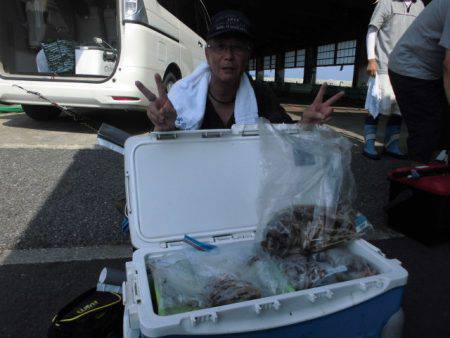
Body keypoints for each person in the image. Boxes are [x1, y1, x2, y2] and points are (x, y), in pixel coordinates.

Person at [135, 10, 345, 132]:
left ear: (247, 56)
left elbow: (285, 138)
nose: (228, 55)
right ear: (207, 55)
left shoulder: (261, 95)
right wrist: (165, 126)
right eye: (220, 46)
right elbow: (168, 155)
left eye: (237, 47)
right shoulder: (181, 96)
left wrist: (305, 125)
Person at [389, 0, 450, 164]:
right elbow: (449, 65)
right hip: (409, 68)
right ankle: (417, 179)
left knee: (443, 124)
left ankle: (437, 165)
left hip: (431, 70)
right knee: (428, 127)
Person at [363, 0, 424, 160]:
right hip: (384, 65)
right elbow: (372, 30)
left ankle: (392, 144)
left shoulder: (420, 6)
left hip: (408, 68)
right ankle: (369, 144)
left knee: (399, 109)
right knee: (375, 106)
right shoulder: (386, 3)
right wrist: (371, 59)